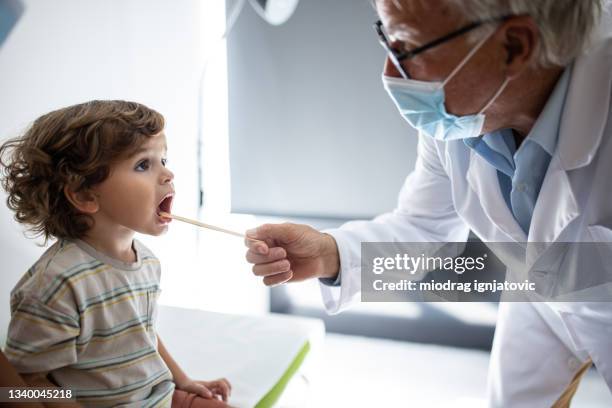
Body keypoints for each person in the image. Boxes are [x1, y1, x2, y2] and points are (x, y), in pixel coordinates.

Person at [244, 0, 612, 406]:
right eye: (387, 38)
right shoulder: (464, 120)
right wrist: (329, 255)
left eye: (409, 49)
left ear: (514, 46)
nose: (389, 73)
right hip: (538, 289)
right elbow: (427, 229)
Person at [0, 101, 231, 407]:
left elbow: (143, 334)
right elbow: (25, 382)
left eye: (163, 159)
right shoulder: (58, 283)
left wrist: (183, 381)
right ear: (84, 194)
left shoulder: (146, 261)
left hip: (161, 397)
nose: (168, 174)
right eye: (143, 165)